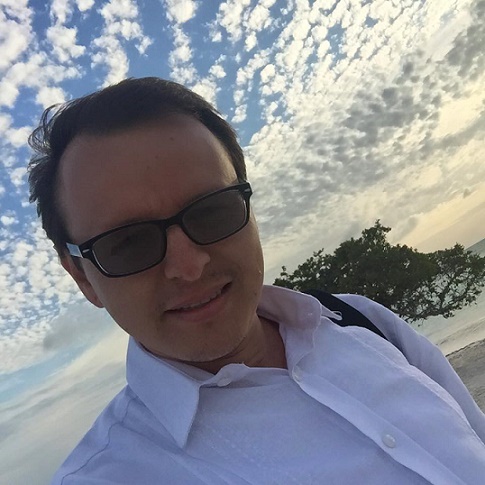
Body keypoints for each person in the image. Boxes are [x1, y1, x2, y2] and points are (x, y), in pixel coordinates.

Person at [28, 77, 485, 484]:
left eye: (212, 210)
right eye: (127, 243)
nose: (189, 266)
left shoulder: (361, 320)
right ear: (82, 277)